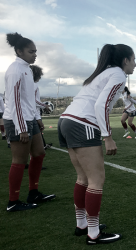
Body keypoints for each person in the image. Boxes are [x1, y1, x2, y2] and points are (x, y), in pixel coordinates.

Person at [57, 43, 136, 245]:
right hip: (83, 123)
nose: (135, 64)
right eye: (134, 60)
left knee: (82, 178)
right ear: (125, 60)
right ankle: (93, 234)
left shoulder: (101, 73)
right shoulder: (118, 74)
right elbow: (100, 104)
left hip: (66, 120)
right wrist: (107, 136)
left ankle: (82, 225)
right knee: (96, 180)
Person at [3, 32, 56, 212]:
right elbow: (15, 101)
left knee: (39, 154)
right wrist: (22, 128)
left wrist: (36, 118)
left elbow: (27, 101)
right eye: (31, 51)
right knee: (19, 160)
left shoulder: (26, 68)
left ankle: (33, 192)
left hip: (29, 119)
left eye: (35, 51)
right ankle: (13, 202)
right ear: (19, 51)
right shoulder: (15, 69)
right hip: (17, 121)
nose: (35, 54)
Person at [30, 65, 52, 150]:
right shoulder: (34, 85)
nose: (40, 77)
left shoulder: (28, 85)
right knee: (37, 133)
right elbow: (34, 101)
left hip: (32, 114)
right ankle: (41, 146)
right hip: (33, 115)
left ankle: (41, 145)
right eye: (40, 75)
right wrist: (45, 106)